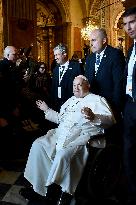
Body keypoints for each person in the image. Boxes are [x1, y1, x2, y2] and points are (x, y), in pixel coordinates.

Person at [19, 75, 115, 205]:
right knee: (38, 145)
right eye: (74, 85)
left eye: (79, 85)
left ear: (88, 86)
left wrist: (93, 116)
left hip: (83, 136)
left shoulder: (97, 99)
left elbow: (110, 121)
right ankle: (37, 187)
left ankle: (59, 192)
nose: (76, 88)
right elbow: (60, 119)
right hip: (60, 134)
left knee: (63, 155)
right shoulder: (70, 100)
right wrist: (47, 110)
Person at [85, 28, 126, 123]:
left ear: (104, 40)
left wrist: (115, 108)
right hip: (93, 106)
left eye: (94, 40)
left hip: (109, 107)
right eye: (90, 40)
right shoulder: (90, 58)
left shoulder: (115, 55)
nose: (91, 44)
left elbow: (119, 84)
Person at [122, 7, 136, 205]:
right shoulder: (132, 48)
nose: (128, 27)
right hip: (131, 107)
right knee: (130, 153)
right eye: (125, 24)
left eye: (132, 22)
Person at [50, 43, 83, 112]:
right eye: (55, 55)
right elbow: (53, 88)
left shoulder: (76, 67)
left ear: (64, 54)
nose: (55, 57)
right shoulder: (55, 69)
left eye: (57, 55)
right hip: (57, 105)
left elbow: (81, 86)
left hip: (72, 105)